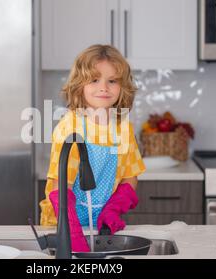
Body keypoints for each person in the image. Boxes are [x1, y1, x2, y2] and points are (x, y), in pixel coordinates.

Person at [39, 44, 146, 252]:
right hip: (62, 227)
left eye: (112, 81)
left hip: (102, 228)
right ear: (80, 86)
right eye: (94, 79)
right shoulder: (70, 126)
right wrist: (73, 236)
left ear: (122, 86)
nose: (104, 87)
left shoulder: (123, 127)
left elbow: (130, 176)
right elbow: (59, 188)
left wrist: (113, 210)